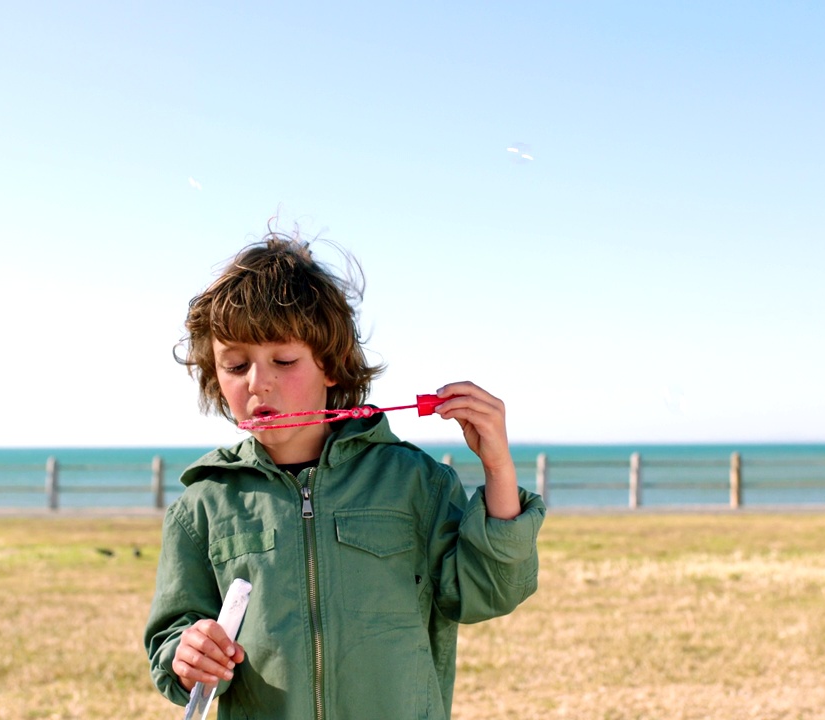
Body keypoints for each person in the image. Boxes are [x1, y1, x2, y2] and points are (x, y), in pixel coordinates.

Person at [144, 228, 546, 720]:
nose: (257, 382)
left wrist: (498, 466)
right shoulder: (202, 505)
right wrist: (185, 655)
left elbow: (489, 591)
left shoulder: (413, 483)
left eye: (283, 360)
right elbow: (171, 642)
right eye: (235, 364)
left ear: (331, 366)